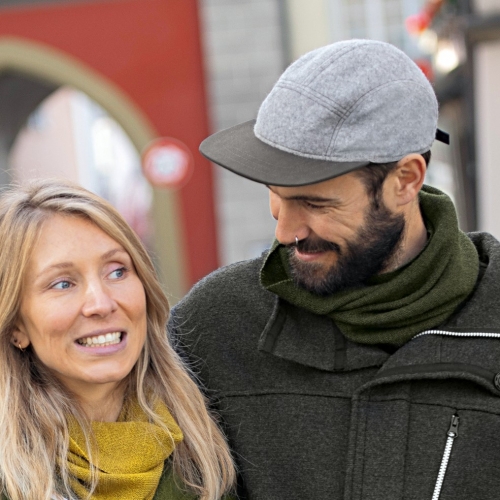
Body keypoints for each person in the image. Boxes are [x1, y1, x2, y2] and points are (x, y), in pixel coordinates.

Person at [169, 39, 500, 500]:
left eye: (314, 202)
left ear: (405, 180)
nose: (285, 231)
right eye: (277, 195)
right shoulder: (212, 328)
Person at [0, 180, 236, 500]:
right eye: (62, 283)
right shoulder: (9, 477)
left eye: (117, 272)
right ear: (16, 325)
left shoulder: (210, 442)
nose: (101, 304)